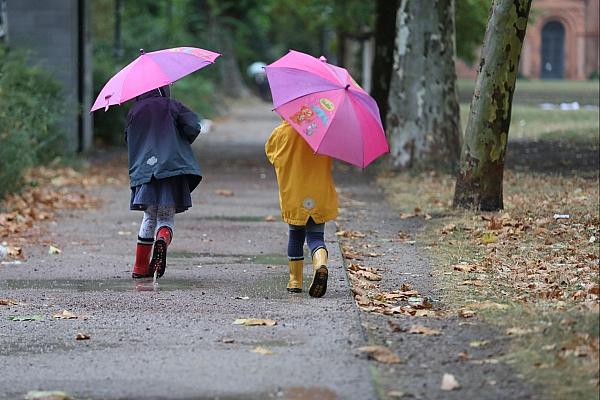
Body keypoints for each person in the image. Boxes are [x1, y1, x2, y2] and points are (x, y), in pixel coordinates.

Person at [126, 85, 203, 279]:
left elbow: (129, 139)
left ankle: (139, 267)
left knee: (149, 216)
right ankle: (162, 238)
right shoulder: (172, 106)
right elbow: (194, 127)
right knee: (165, 217)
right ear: (163, 88)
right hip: (171, 169)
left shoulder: (134, 111)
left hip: (146, 170)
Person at [265, 119, 338, 297]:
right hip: (319, 192)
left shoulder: (281, 132)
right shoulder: (324, 132)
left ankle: (295, 281)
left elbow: (271, 154)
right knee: (315, 237)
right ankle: (320, 262)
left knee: (296, 235)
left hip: (295, 193)